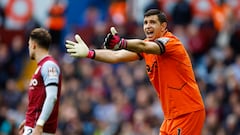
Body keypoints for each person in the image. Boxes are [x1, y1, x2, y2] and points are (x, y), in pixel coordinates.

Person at [65, 9, 205, 135]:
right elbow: (116, 56)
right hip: (170, 116)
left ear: (163, 26)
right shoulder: (146, 47)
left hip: (188, 112)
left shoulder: (171, 43)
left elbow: (143, 45)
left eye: (152, 22)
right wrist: (90, 53)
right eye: (145, 23)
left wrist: (121, 42)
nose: (148, 26)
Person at [18, 28, 62, 135]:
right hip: (33, 125)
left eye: (29, 44)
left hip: (39, 129)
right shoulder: (42, 66)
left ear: (33, 45)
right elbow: (39, 99)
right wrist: (29, 120)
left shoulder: (49, 65)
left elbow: (52, 97)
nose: (28, 48)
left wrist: (39, 124)